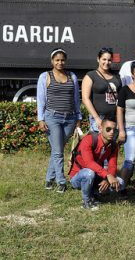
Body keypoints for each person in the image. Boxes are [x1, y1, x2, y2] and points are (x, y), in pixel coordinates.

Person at [37, 48, 82, 193]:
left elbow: (76, 99)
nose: (60, 62)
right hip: (52, 117)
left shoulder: (72, 76)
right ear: (52, 61)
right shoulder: (45, 76)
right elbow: (41, 100)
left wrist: (78, 117)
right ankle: (61, 181)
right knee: (58, 152)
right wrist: (41, 119)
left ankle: (49, 180)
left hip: (70, 118)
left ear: (65, 61)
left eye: (62, 60)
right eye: (57, 60)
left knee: (57, 150)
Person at [69, 118, 125, 210]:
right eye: (108, 129)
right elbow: (89, 163)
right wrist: (107, 175)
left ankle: (95, 193)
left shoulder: (113, 145)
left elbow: (112, 165)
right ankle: (86, 201)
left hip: (96, 175)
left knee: (121, 183)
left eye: (114, 130)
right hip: (78, 177)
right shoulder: (89, 139)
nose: (111, 132)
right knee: (89, 173)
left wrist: (107, 180)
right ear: (100, 128)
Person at [81, 47, 121, 132]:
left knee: (112, 143)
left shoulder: (116, 77)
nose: (107, 62)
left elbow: (120, 97)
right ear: (98, 59)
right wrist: (96, 118)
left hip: (114, 117)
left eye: (109, 60)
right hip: (99, 117)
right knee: (99, 143)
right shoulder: (91, 75)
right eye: (104, 59)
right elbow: (85, 99)